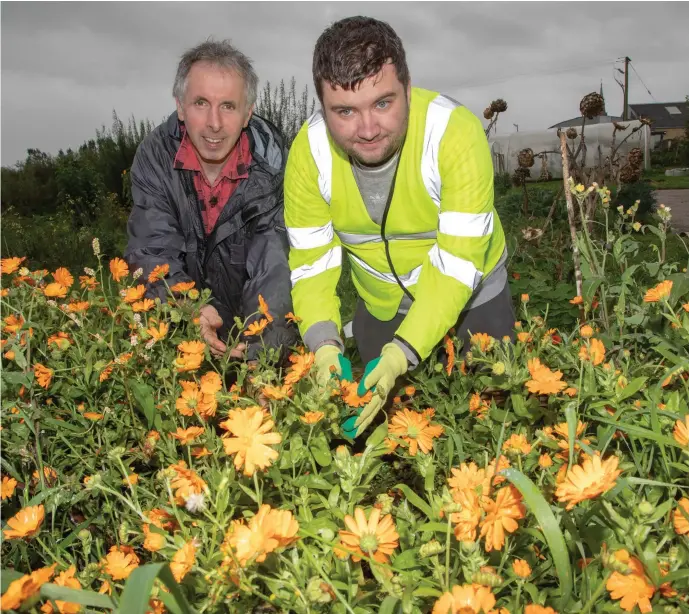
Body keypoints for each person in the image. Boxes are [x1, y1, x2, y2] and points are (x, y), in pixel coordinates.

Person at [284, 16, 515, 435]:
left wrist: (402, 353)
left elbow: (458, 266)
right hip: (382, 303)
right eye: (345, 112)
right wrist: (322, 344)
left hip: (474, 297)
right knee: (388, 434)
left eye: (383, 103)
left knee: (492, 427)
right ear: (322, 108)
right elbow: (311, 265)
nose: (368, 129)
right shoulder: (308, 154)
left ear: (408, 90)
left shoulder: (452, 133)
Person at [125, 39, 297, 362]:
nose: (214, 123)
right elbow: (152, 251)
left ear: (248, 113)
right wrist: (187, 311)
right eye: (201, 103)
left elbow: (274, 270)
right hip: (181, 335)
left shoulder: (275, 169)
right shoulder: (155, 160)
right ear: (180, 106)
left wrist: (262, 356)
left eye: (228, 106)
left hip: (252, 337)